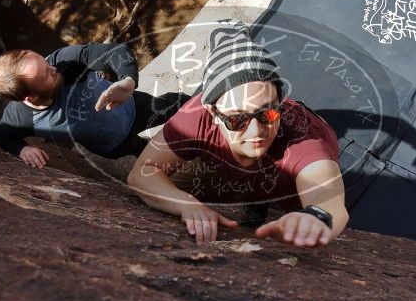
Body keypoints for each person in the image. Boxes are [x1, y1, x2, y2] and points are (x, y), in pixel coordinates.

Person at [127, 22, 349, 248]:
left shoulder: (304, 138)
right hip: (229, 167)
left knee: (300, 231)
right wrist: (187, 204)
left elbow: (327, 200)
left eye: (268, 113)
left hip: (285, 181)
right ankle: (254, 200)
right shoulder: (195, 116)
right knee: (175, 187)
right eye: (236, 119)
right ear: (212, 112)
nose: (256, 132)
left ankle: (259, 202)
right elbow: (141, 174)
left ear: (281, 104)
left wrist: (315, 218)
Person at [0, 42, 185, 168]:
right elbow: (1, 135)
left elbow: (114, 51)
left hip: (132, 106)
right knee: (145, 150)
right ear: (30, 97)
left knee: (177, 106)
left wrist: (128, 80)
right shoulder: (20, 118)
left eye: (45, 62)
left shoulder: (64, 62)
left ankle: (208, 101)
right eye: (45, 74)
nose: (53, 68)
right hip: (113, 144)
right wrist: (22, 149)